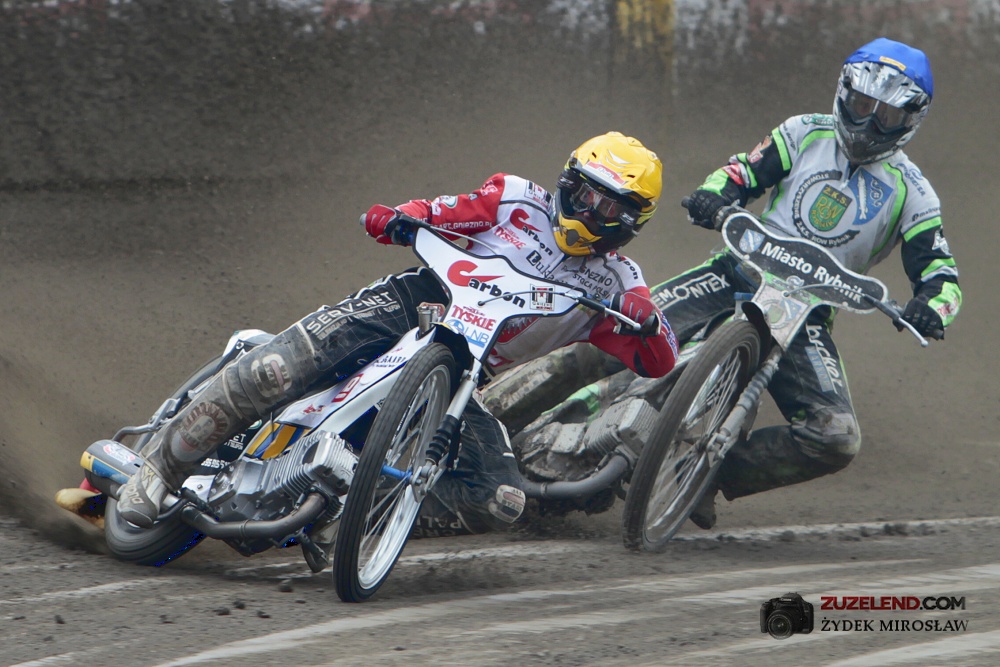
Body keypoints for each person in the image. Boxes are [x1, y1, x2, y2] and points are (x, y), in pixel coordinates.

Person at [487, 38, 962, 530]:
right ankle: (487, 412)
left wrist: (933, 306)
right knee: (609, 338)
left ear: (911, 119)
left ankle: (701, 473)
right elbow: (740, 173)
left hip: (807, 314)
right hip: (732, 273)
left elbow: (942, 275)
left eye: (885, 116)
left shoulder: (915, 194)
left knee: (836, 437)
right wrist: (714, 196)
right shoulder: (804, 132)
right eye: (862, 105)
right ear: (844, 94)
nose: (867, 124)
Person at [104, 131, 678, 536]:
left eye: (608, 206)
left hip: (462, 377)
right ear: (566, 182)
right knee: (274, 370)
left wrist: (646, 319)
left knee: (502, 501)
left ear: (632, 222)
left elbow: (661, 358)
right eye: (584, 193)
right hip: (410, 304)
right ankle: (158, 471)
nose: (589, 209)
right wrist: (399, 216)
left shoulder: (619, 282)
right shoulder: (513, 198)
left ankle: (365, 515)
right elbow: (438, 211)